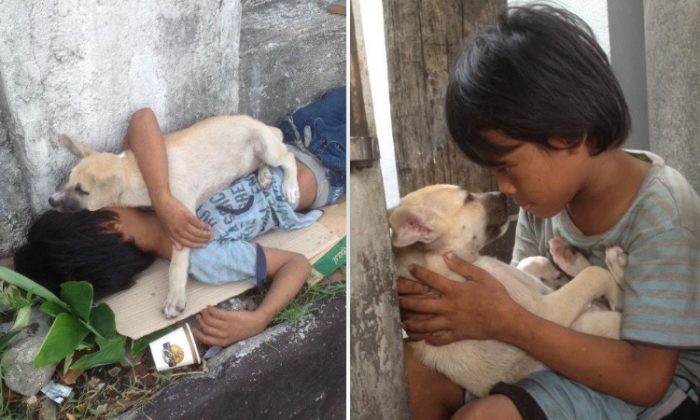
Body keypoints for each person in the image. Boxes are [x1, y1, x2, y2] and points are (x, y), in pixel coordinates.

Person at [397, 5, 700, 420]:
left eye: (507, 166)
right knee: (413, 372)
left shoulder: (662, 216)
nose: (503, 186)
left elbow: (646, 380)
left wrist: (505, 322)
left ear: (568, 135)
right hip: (559, 354)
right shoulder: (545, 198)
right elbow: (528, 286)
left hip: (660, 391)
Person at [15, 87, 346, 348]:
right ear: (111, 223)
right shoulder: (203, 258)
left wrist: (162, 198)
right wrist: (260, 317)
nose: (100, 197)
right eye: (93, 203)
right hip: (329, 165)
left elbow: (142, 119)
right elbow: (296, 264)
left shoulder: (140, 187)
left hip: (290, 130)